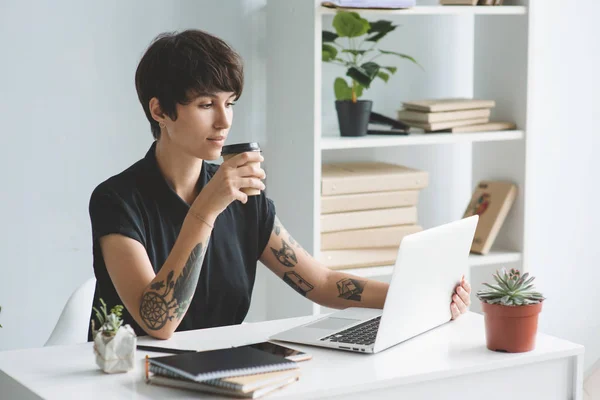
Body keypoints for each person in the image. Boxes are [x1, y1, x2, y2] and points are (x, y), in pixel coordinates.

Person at [87, 29, 471, 341]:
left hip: (220, 370)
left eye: (231, 102)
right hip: (131, 379)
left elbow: (320, 283)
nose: (224, 121)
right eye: (206, 105)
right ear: (159, 111)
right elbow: (157, 323)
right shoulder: (117, 201)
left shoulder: (243, 197)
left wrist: (413, 297)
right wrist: (206, 208)